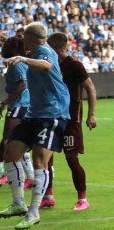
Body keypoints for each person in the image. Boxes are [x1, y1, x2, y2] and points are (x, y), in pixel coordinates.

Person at [0, 23, 70, 230]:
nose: (22, 40)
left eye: (24, 36)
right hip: (34, 113)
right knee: (11, 152)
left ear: (31, 37)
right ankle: (18, 203)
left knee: (39, 160)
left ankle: (34, 211)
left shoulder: (44, 51)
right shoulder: (35, 52)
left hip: (52, 113)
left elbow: (46, 66)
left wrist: (22, 58)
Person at [44, 32, 97, 211]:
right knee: (46, 159)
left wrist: (91, 114)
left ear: (55, 48)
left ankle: (82, 199)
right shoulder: (50, 66)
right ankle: (48, 196)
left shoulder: (74, 65)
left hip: (71, 120)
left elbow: (90, 88)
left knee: (71, 159)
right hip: (52, 117)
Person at [0, 35, 34, 189]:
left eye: (6, 45)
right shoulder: (17, 63)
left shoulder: (17, 64)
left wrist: (5, 103)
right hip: (23, 105)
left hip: (19, 106)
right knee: (17, 141)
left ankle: (9, 173)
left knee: (9, 141)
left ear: (14, 48)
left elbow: (22, 85)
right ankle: (28, 176)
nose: (3, 48)